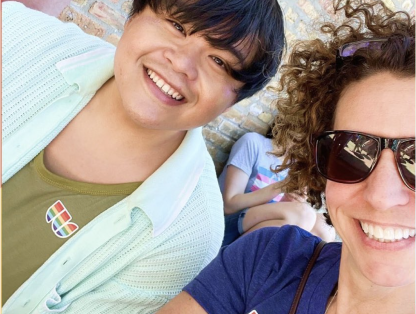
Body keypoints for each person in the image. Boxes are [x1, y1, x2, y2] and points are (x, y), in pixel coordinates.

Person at [1, 0, 285, 312]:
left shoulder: (186, 236)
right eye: (177, 26)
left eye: (218, 61)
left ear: (233, 101)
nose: (181, 64)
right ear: (133, 15)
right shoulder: (19, 38)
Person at [157, 0, 415, 313]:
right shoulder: (269, 258)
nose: (381, 197)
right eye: (351, 152)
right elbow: (228, 202)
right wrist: (279, 191)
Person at [219, 127, 335, 246]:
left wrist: (289, 201)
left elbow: (280, 219)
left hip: (257, 233)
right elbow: (229, 206)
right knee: (304, 214)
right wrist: (280, 187)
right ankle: (229, 257)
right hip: (226, 227)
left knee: (325, 228)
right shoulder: (253, 143)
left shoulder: (297, 169)